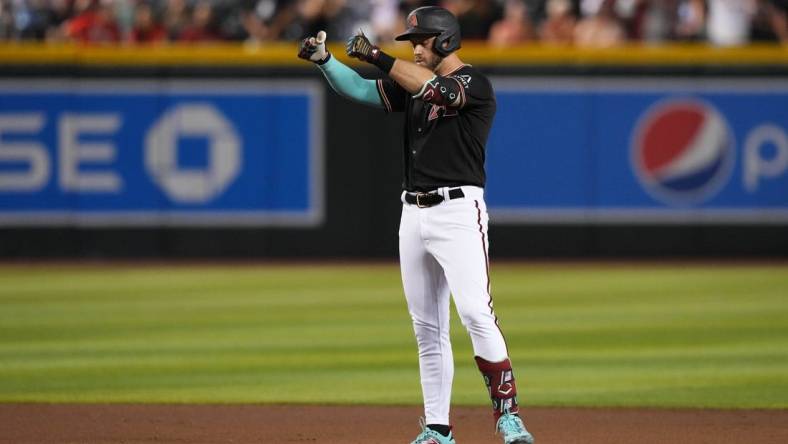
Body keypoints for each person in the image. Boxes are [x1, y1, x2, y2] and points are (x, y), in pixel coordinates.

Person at [297, 6, 534, 444]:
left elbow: (439, 91)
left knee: (476, 314)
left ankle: (509, 416)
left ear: (444, 40)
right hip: (413, 213)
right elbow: (364, 92)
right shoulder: (414, 83)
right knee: (427, 327)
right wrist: (326, 62)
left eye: (421, 41)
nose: (416, 48)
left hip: (459, 212)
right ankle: (438, 428)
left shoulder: (474, 84)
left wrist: (379, 56)